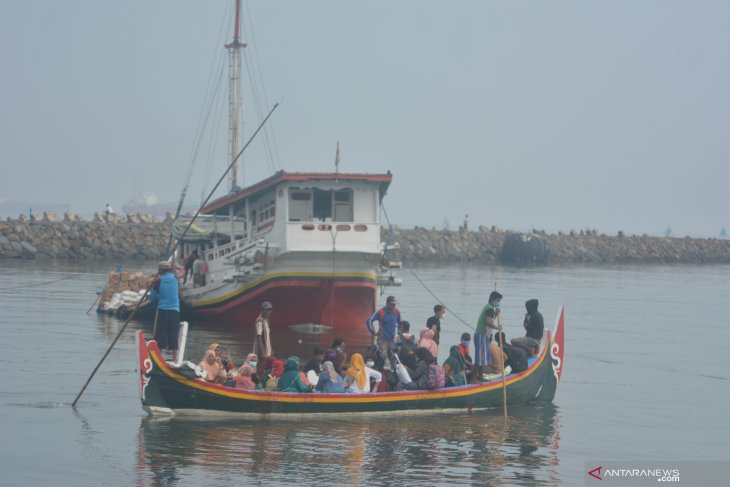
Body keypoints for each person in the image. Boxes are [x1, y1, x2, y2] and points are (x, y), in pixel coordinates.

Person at [150, 260, 181, 363]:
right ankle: (175, 359)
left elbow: (152, 298)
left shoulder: (157, 282)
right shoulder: (175, 279)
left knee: (161, 334)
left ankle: (160, 358)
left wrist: (156, 290)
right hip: (175, 311)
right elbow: (176, 288)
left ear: (159, 271)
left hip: (163, 310)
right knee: (174, 333)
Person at [473, 291, 503, 383]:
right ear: (493, 300)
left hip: (484, 335)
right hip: (481, 335)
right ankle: (473, 379)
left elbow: (490, 320)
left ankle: (481, 376)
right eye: (497, 300)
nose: (498, 302)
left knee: (483, 358)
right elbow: (488, 323)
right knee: (480, 358)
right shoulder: (490, 309)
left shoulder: (490, 308)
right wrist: (497, 328)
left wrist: (496, 314)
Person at [365, 295, 401, 371]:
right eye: (392, 304)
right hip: (382, 340)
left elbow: (400, 324)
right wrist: (374, 333)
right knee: (383, 358)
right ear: (387, 303)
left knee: (394, 359)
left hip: (393, 340)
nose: (394, 305)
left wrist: (399, 337)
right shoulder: (381, 312)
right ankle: (381, 375)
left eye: (395, 304)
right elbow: (369, 321)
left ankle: (393, 376)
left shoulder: (397, 311)